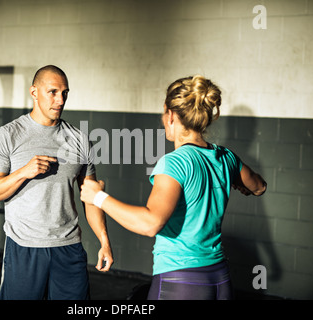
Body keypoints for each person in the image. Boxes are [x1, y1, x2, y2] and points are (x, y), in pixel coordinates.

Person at [80, 75, 266, 300]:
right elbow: (259, 187)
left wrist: (97, 197)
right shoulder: (226, 158)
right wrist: (236, 181)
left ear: (171, 116)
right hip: (220, 279)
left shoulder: (175, 162)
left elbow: (150, 224)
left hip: (181, 282)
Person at [0, 65, 113, 300]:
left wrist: (104, 240)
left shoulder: (79, 139)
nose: (60, 100)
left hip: (69, 248)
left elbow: (90, 196)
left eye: (65, 93)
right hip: (24, 247)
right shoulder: (9, 135)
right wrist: (23, 172)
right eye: (52, 92)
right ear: (34, 92)